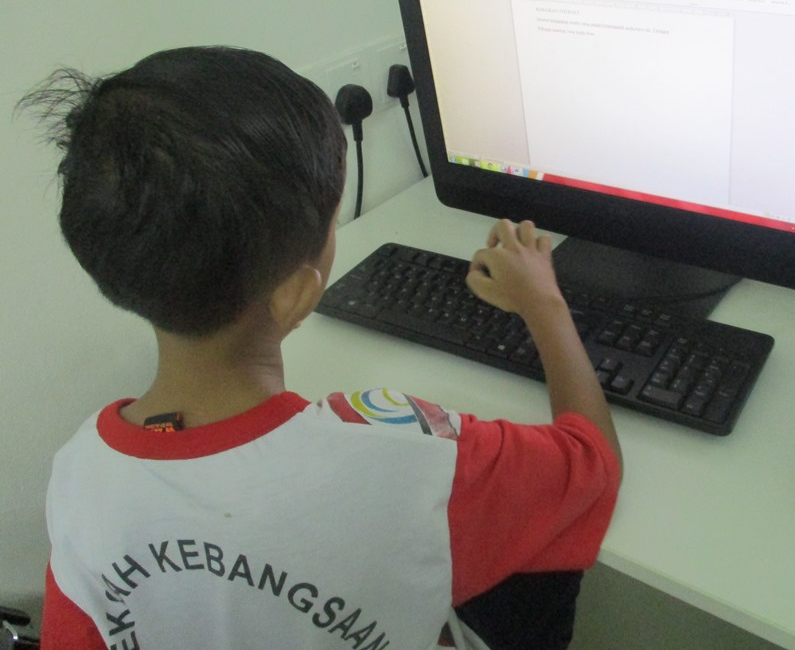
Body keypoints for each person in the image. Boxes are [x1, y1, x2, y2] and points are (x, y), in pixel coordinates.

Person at [21, 46, 621, 649]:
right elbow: (592, 465)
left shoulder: (79, 478)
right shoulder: (403, 451)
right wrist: (545, 302)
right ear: (296, 294)